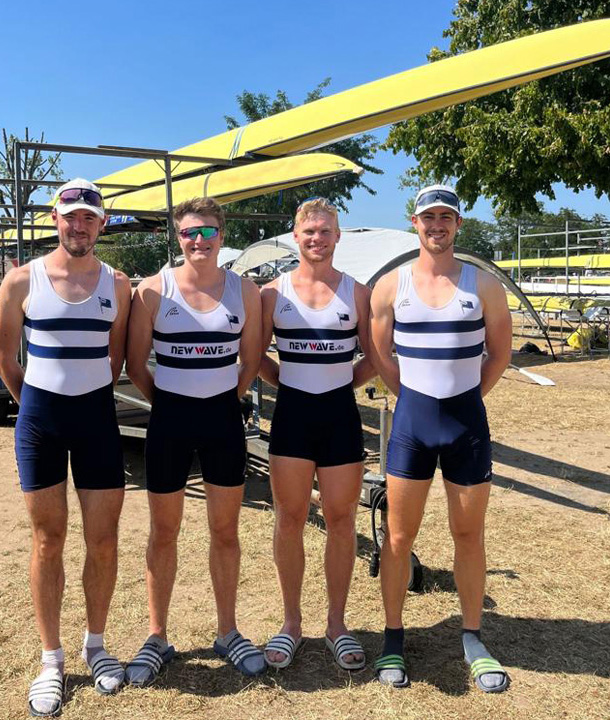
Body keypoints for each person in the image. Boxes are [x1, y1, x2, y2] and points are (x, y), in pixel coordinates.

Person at [0, 178, 133, 716]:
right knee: (49, 540)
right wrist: (36, 406)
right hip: (41, 424)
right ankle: (51, 660)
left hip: (97, 421)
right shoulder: (20, 281)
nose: (79, 225)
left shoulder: (118, 284)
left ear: (102, 224)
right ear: (55, 218)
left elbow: (115, 358)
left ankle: (96, 646)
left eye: (89, 217)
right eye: (71, 216)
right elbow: (4, 357)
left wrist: (82, 397)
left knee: (103, 540)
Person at [368, 184, 513, 693]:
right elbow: (382, 356)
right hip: (412, 424)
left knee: (468, 535)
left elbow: (500, 354)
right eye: (428, 217)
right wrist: (414, 399)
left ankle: (472, 637)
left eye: (445, 217)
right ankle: (392, 638)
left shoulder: (484, 286)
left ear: (458, 224)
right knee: (398, 537)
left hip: (465, 425)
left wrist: (464, 399)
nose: (437, 225)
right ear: (415, 222)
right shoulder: (390, 286)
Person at [124, 196, 265, 684]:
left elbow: (250, 362)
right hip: (170, 422)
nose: (199, 240)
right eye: (189, 232)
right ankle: (157, 636)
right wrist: (169, 403)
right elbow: (136, 364)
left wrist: (223, 399)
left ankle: (227, 631)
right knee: (163, 533)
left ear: (222, 235)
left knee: (225, 532)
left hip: (223, 421)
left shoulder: (245, 292)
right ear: (177, 237)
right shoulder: (152, 290)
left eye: (207, 231)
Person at [256, 199, 373, 671]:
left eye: (325, 230)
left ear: (338, 236)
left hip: (340, 416)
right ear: (296, 236)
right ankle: (291, 623)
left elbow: (375, 356)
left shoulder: (358, 293)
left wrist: (343, 382)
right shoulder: (272, 293)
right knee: (289, 517)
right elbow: (254, 355)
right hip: (292, 416)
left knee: (342, 520)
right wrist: (285, 381)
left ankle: (337, 625)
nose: (317, 238)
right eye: (309, 231)